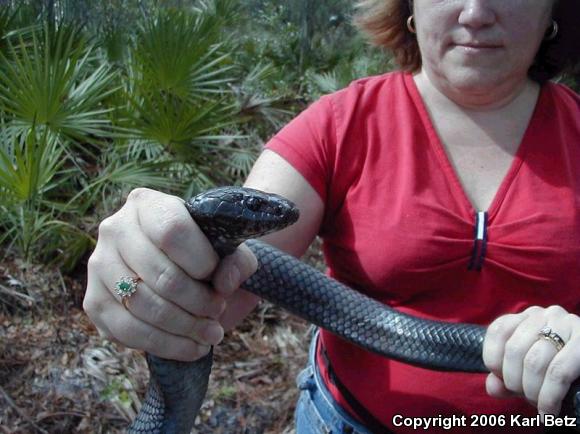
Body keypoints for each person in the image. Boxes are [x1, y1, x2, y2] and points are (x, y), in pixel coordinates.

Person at [83, 0, 580, 432]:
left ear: (553, 11)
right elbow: (220, 297)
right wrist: (146, 273)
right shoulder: (339, 125)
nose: (475, 13)